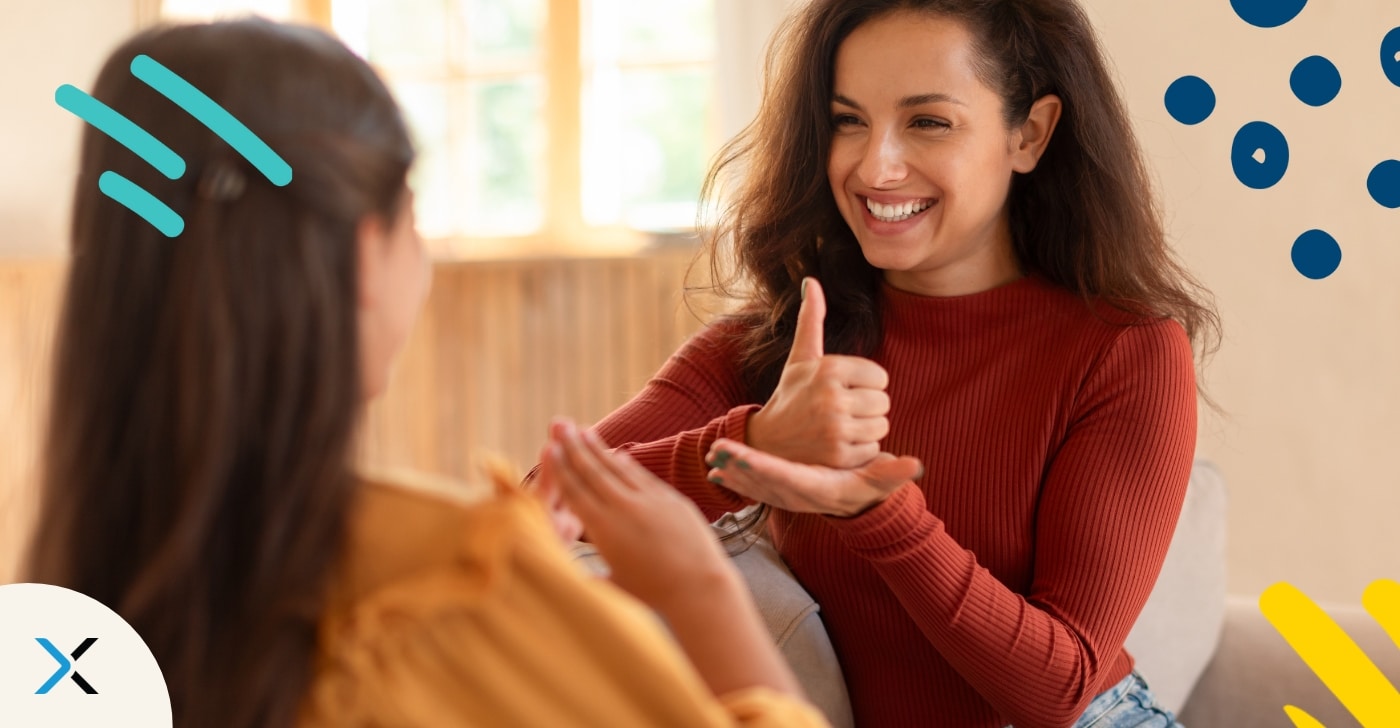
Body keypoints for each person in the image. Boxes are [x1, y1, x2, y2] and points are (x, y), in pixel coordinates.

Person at [24, 18, 828, 728]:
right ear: (364, 258)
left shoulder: (57, 636)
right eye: (414, 221)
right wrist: (699, 592)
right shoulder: (458, 585)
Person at [583, 1, 1220, 727]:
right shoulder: (782, 344)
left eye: (927, 122)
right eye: (848, 120)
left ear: (1030, 134)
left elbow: (1057, 691)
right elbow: (542, 509)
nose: (874, 166)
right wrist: (752, 444)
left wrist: (880, 513)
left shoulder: (1126, 350)